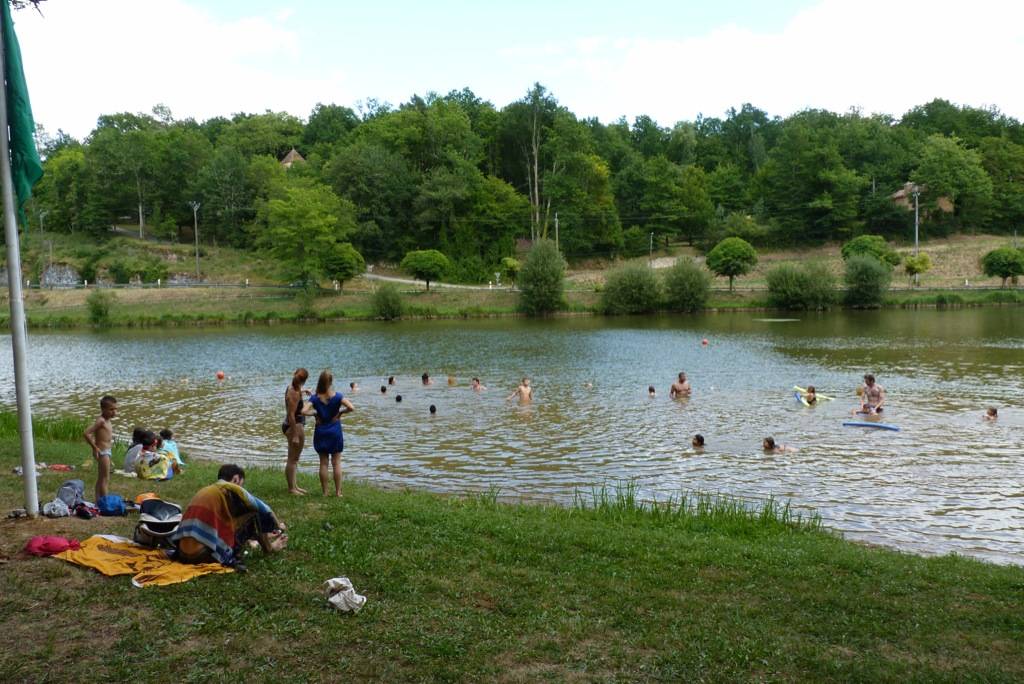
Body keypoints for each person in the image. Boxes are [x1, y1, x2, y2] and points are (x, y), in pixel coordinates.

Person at [171, 464, 287, 568]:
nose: (242, 488)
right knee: (254, 513)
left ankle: (260, 539)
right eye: (242, 484)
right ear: (236, 479)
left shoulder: (209, 491)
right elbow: (266, 510)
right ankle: (269, 548)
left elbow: (231, 523)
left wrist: (262, 534)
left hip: (182, 553)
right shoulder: (230, 488)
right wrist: (279, 527)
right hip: (202, 555)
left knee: (243, 516)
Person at [308, 370, 354, 497]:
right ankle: (338, 492)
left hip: (321, 431)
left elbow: (303, 410)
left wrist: (314, 414)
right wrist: (340, 413)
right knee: (336, 462)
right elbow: (351, 407)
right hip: (335, 431)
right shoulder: (338, 396)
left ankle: (325, 493)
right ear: (331, 382)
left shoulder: (315, 398)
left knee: (323, 462)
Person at [83, 395, 117, 501]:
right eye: (111, 409)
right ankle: (105, 502)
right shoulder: (101, 421)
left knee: (101, 478)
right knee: (105, 479)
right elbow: (86, 433)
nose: (114, 412)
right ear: (103, 409)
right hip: (103, 452)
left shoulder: (107, 420)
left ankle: (98, 501)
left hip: (107, 452)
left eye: (115, 409)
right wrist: (95, 448)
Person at [282, 368, 310, 496]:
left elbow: (295, 394)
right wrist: (295, 434)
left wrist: (304, 391)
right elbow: (291, 415)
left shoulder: (292, 387)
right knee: (292, 459)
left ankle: (294, 486)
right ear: (304, 380)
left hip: (292, 425)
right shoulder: (295, 393)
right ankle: (291, 488)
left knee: (294, 459)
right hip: (295, 426)